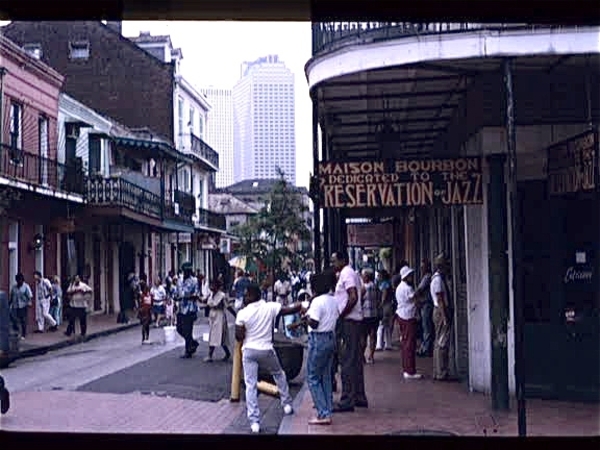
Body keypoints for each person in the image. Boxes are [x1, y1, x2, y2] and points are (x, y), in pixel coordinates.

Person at [235, 283, 304, 433]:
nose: (244, 297)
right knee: (279, 374)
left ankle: (254, 422)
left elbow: (238, 336)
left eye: (246, 294)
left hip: (249, 352)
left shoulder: (242, 313)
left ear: (253, 296)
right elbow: (290, 309)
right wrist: (304, 303)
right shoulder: (270, 307)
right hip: (267, 350)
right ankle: (286, 404)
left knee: (250, 385)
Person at [330, 250, 367, 413]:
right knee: (355, 359)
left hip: (349, 322)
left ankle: (347, 399)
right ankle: (359, 395)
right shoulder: (349, 273)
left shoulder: (347, 273)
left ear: (343, 260)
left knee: (347, 360)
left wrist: (342, 314)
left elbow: (353, 297)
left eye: (334, 261)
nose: (333, 264)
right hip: (353, 321)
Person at [305, 270, 339, 425]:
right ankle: (327, 407)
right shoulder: (333, 300)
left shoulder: (317, 302)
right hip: (331, 338)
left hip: (319, 339)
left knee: (312, 377)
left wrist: (306, 317)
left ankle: (323, 413)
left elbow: (314, 323)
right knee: (325, 376)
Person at [395, 266, 422, 379]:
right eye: (410, 275)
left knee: (406, 342)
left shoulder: (399, 287)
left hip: (402, 315)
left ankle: (407, 368)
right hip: (408, 317)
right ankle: (409, 370)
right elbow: (414, 297)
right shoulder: (407, 288)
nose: (412, 277)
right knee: (409, 344)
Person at [431, 253, 454, 381]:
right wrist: (445, 317)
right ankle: (441, 371)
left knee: (439, 341)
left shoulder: (437, 278)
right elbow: (440, 300)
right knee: (442, 342)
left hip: (439, 311)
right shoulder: (438, 280)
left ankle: (438, 370)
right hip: (441, 311)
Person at [202, 279, 231, 362]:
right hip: (212, 315)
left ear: (217, 287)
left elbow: (228, 306)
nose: (211, 287)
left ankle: (210, 355)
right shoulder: (210, 295)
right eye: (211, 285)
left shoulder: (222, 295)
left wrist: (236, 315)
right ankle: (227, 353)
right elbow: (206, 303)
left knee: (217, 335)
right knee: (216, 335)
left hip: (219, 315)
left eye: (213, 285)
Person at [176, 262, 200, 358]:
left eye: (188, 271)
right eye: (185, 271)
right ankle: (193, 343)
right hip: (181, 307)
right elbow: (177, 292)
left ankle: (188, 350)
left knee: (188, 330)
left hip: (190, 308)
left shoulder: (194, 280)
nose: (186, 273)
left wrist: (188, 296)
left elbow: (196, 294)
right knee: (179, 328)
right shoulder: (179, 280)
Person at [415, 259, 434, 357]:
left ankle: (426, 349)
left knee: (427, 327)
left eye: (423, 267)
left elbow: (419, 290)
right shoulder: (425, 277)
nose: (421, 269)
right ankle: (424, 347)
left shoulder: (427, 277)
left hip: (427, 304)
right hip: (424, 304)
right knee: (424, 326)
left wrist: (413, 296)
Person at [360, 269, 380, 364]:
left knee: (363, 336)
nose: (362, 277)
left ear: (367, 277)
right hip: (374, 314)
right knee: (373, 335)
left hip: (365, 315)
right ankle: (371, 356)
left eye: (363, 276)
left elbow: (359, 300)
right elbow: (379, 298)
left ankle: (362, 356)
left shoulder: (363, 288)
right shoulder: (375, 286)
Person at [9, 273, 32, 339]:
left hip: (23, 306)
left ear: (22, 280)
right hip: (15, 306)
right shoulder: (14, 287)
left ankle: (23, 334)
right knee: (14, 319)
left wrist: (29, 303)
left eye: (20, 280)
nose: (19, 281)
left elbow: (29, 296)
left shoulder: (26, 286)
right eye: (17, 280)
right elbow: (11, 296)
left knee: (23, 320)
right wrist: (9, 304)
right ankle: (16, 331)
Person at [376, 270, 394, 351]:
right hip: (389, 305)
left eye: (379, 275)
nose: (378, 277)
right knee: (387, 325)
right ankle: (388, 343)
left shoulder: (384, 284)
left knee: (381, 324)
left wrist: (381, 304)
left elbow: (384, 294)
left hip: (385, 306)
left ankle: (379, 344)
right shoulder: (388, 283)